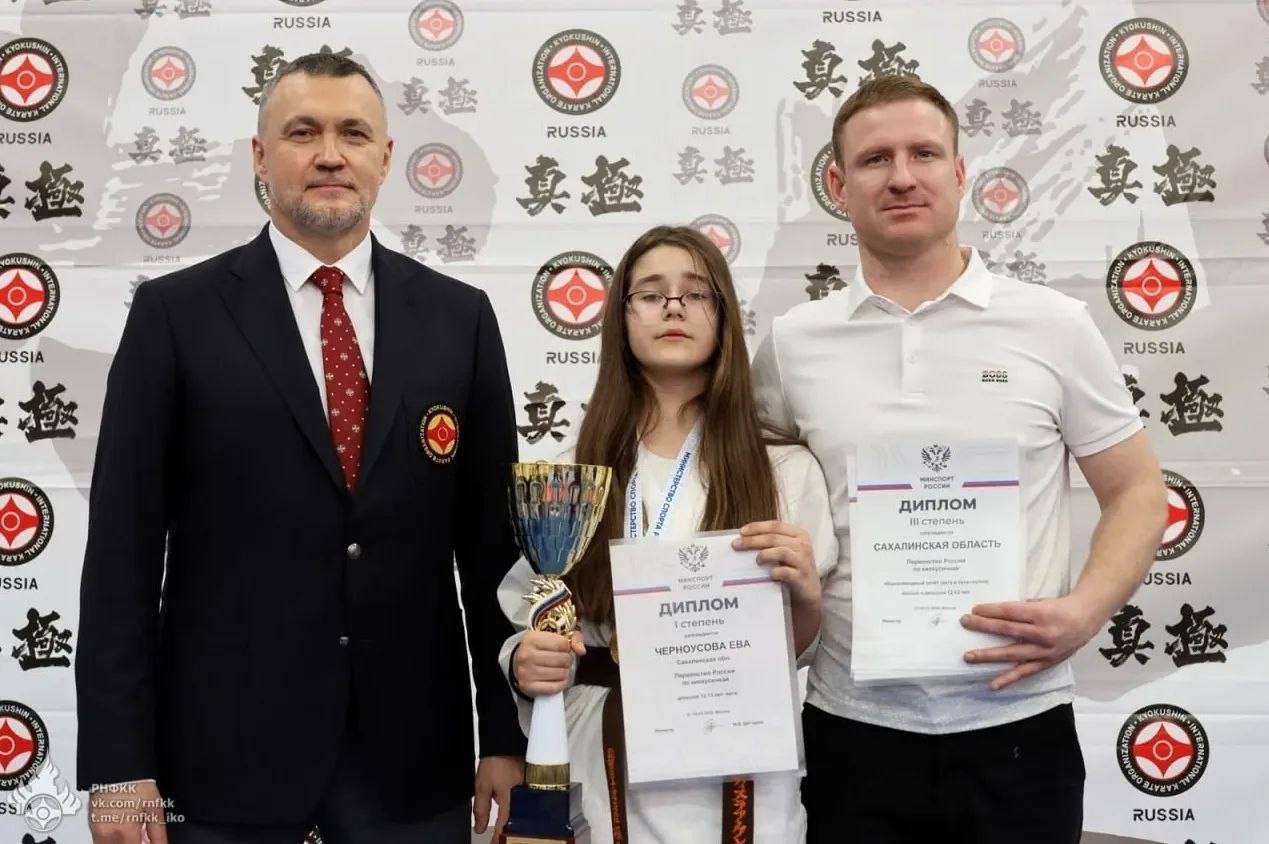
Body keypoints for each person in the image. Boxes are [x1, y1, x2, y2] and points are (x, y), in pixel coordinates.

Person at [75, 52, 524, 844]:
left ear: (385, 157)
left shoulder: (460, 320)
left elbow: (493, 554)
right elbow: (122, 556)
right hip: (222, 764)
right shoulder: (176, 317)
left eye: (353, 133)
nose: (329, 154)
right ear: (260, 155)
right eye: (302, 132)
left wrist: (505, 737)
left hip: (412, 766)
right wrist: (118, 766)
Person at [751, 75, 1168, 843]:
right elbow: (750, 496)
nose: (901, 176)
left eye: (922, 153)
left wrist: (1083, 611)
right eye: (874, 159)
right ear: (837, 186)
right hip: (851, 729)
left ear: (958, 171)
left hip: (1020, 728)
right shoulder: (791, 344)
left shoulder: (1053, 325)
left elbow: (1138, 490)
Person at [499, 225, 837, 843]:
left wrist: (808, 598)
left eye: (696, 293)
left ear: (724, 316)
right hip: (608, 753)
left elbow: (803, 647)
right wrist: (526, 658)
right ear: (621, 319)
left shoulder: (784, 469)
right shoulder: (574, 473)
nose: (674, 307)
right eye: (651, 294)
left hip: (740, 753)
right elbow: (530, 616)